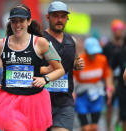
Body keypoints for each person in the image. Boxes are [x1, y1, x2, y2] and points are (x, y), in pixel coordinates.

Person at [0, 5, 65, 131]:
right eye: (14, 21)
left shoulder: (41, 43)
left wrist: (45, 79)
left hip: (34, 101)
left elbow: (60, 69)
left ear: (29, 21)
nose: (17, 25)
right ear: (10, 22)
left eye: (21, 21)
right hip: (8, 100)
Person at [41, 1, 84, 131]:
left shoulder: (71, 41)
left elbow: (73, 60)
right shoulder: (39, 40)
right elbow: (29, 68)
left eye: (63, 16)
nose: (59, 20)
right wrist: (45, 70)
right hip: (42, 100)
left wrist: (77, 64)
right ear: (48, 17)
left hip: (65, 101)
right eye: (55, 16)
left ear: (67, 18)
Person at [73, 37, 114, 131]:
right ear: (86, 50)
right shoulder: (79, 60)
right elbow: (73, 77)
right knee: (86, 127)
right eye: (92, 52)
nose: (94, 54)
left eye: (96, 52)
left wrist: (109, 90)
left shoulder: (102, 59)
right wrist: (72, 92)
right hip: (81, 95)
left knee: (94, 127)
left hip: (97, 94)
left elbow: (107, 75)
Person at [111, 38, 126, 131]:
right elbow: (111, 68)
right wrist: (111, 84)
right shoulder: (119, 53)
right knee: (124, 114)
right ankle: (117, 125)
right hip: (122, 87)